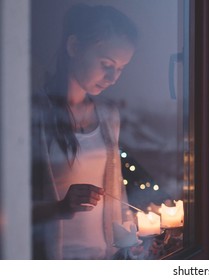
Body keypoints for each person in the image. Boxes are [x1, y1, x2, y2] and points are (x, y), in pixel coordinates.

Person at [31, 3, 138, 260]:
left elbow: (116, 192)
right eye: (106, 64)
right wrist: (60, 207)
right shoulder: (32, 116)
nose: (113, 78)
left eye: (121, 68)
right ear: (74, 47)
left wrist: (128, 239)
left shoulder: (108, 115)